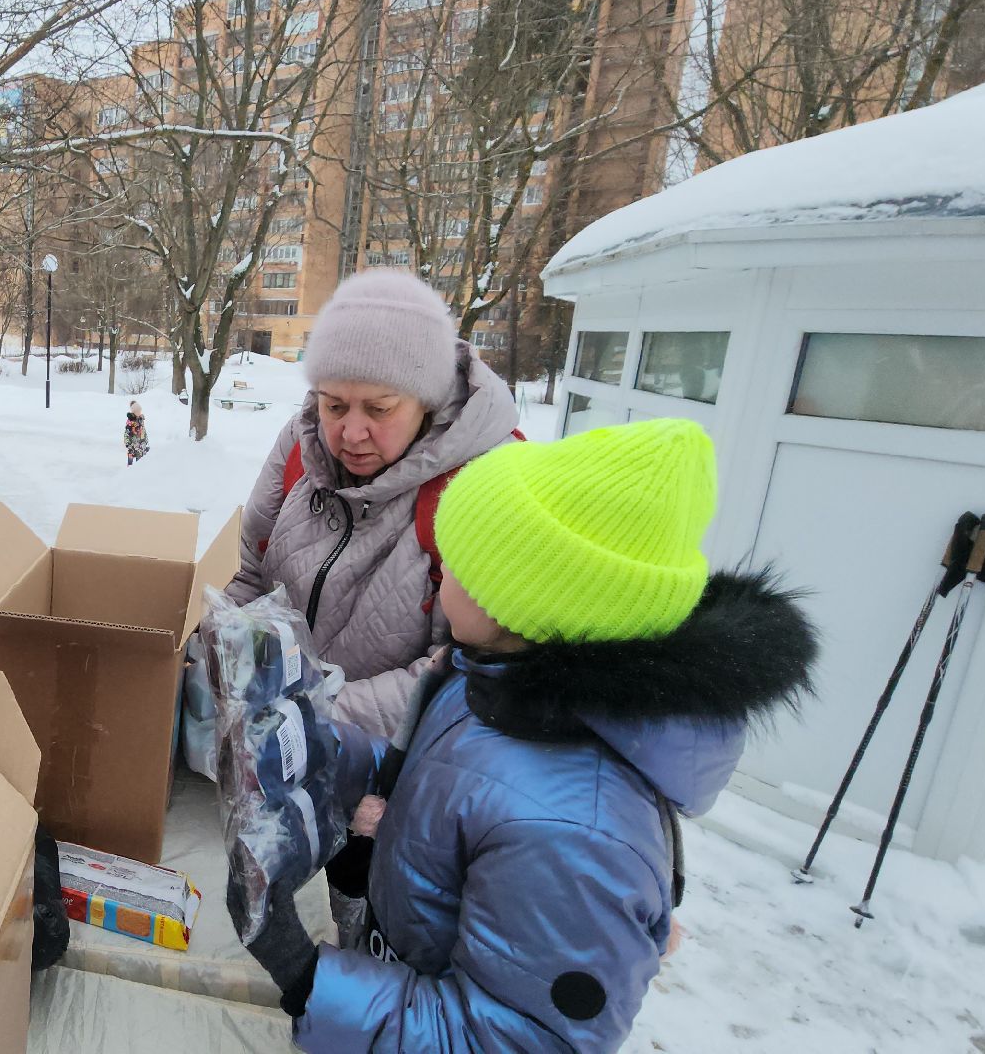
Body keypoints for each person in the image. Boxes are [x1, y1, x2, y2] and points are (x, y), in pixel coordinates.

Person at [232, 418, 818, 1052]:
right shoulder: (494, 679)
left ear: (517, 598)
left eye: (451, 563)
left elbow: (510, 1040)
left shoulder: (576, 834)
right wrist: (325, 749)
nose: (437, 576)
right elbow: (444, 783)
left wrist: (306, 976)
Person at [224, 268, 520, 742]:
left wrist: (310, 715)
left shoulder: (487, 484)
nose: (351, 433)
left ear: (427, 400)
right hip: (271, 744)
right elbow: (252, 578)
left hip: (385, 775)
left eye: (379, 409)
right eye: (334, 405)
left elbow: (469, 670)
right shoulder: (302, 447)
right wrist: (217, 653)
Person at [125, 400, 150, 464]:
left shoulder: (141, 419)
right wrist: (127, 442)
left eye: (140, 411)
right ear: (134, 412)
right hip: (132, 445)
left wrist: (146, 440)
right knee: (130, 462)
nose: (139, 412)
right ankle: (129, 471)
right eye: (138, 411)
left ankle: (138, 472)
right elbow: (126, 433)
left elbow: (143, 431)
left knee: (139, 463)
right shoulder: (130, 422)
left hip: (141, 445)